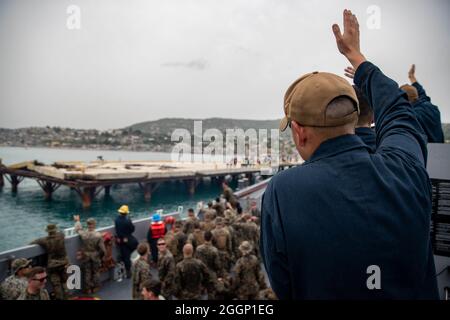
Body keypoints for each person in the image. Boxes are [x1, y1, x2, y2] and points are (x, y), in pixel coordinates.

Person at [260, 10, 438, 299]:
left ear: (298, 131)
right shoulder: (404, 169)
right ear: (355, 118)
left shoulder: (283, 191)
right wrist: (357, 57)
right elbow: (398, 110)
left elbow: (283, 283)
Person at [400, 64, 445, 143]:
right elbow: (420, 91)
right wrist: (411, 76)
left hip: (429, 152)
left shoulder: (411, 116)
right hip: (442, 150)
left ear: (404, 100)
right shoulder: (431, 107)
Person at [30, 224, 69, 300]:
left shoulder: (44, 240)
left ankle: (59, 298)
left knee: (56, 284)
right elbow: (62, 233)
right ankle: (67, 297)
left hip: (52, 266)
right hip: (64, 263)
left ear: (48, 231)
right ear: (55, 230)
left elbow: (32, 242)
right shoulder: (61, 236)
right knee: (64, 282)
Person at [74, 216, 106, 294]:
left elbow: (78, 229)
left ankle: (88, 289)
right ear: (94, 224)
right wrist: (100, 256)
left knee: (87, 272)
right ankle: (95, 287)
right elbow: (103, 250)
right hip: (95, 255)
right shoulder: (98, 235)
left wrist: (77, 221)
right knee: (96, 272)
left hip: (86, 255)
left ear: (87, 225)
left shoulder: (84, 234)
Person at [114, 205, 138, 278]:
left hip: (120, 240)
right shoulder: (127, 220)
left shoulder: (116, 220)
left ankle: (127, 270)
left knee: (125, 254)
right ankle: (130, 263)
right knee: (136, 244)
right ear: (126, 213)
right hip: (128, 238)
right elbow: (132, 229)